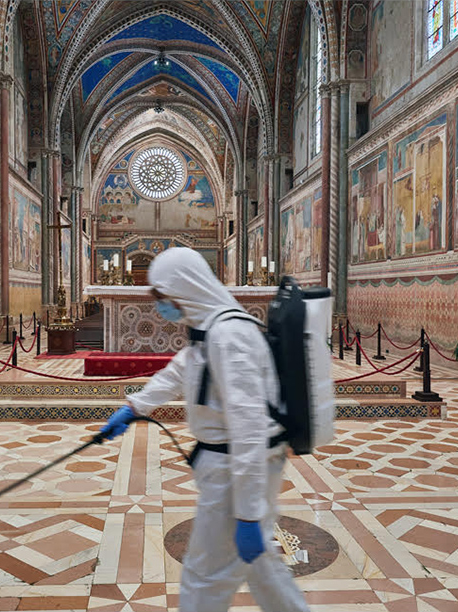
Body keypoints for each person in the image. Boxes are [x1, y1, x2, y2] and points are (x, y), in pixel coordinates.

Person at [101, 247, 309, 612]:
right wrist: (135, 407)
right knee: (263, 570)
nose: (162, 306)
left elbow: (249, 428)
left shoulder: (229, 335)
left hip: (235, 473)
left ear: (183, 288)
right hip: (229, 469)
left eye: (164, 297)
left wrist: (247, 513)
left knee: (204, 578)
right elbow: (181, 370)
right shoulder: (211, 327)